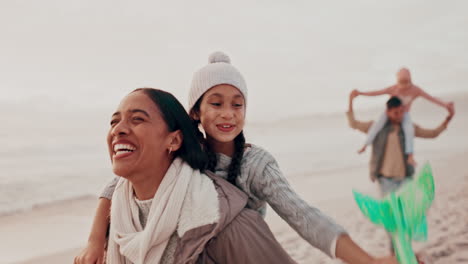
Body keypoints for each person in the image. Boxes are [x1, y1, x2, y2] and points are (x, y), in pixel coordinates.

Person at [76, 52, 397, 264]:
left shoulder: (256, 164)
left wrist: (367, 261)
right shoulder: (186, 154)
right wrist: (94, 241)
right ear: (195, 113)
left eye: (237, 104)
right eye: (216, 103)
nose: (228, 114)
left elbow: (305, 217)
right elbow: (116, 184)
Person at [84, 87, 297, 264]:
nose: (118, 129)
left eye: (137, 119)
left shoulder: (223, 222)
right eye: (114, 122)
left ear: (174, 141)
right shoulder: (120, 219)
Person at [352, 68, 454, 166]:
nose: (404, 86)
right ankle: (365, 145)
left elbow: (431, 98)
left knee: (409, 130)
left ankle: (410, 155)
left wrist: (445, 105)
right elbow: (376, 92)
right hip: (389, 113)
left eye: (406, 83)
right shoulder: (393, 88)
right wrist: (361, 93)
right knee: (377, 125)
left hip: (405, 114)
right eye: (401, 83)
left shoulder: (415, 90)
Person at [347, 92, 452, 184]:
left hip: (405, 178)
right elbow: (353, 124)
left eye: (401, 112)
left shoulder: (408, 129)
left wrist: (448, 118)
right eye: (396, 113)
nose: (399, 115)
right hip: (384, 180)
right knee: (389, 207)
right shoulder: (376, 129)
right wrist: (350, 100)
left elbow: (432, 134)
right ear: (387, 112)